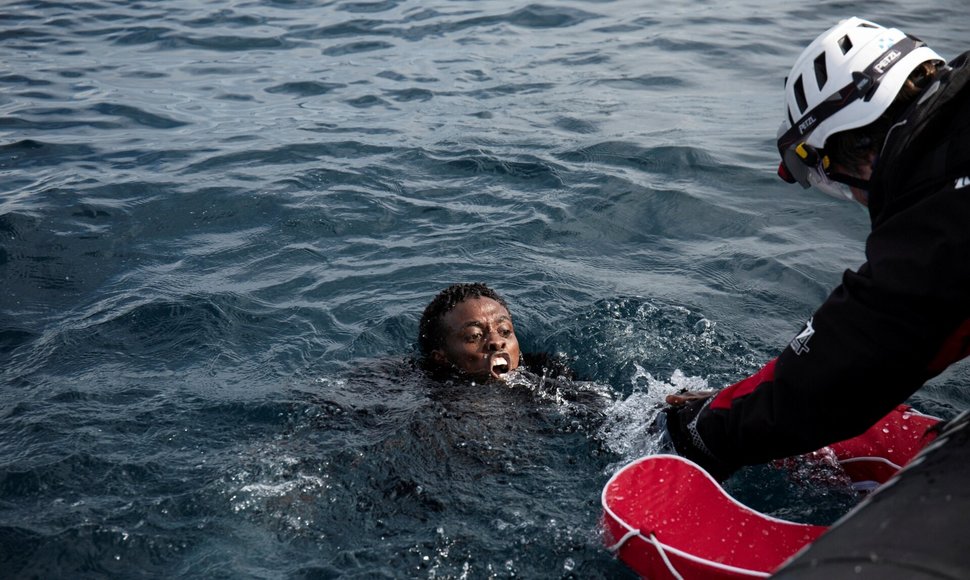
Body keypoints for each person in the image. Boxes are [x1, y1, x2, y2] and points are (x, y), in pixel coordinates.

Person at [663, 17, 970, 481]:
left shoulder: (940, 221)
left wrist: (699, 429)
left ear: (852, 144)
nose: (854, 197)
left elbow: (835, 375)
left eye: (827, 175)